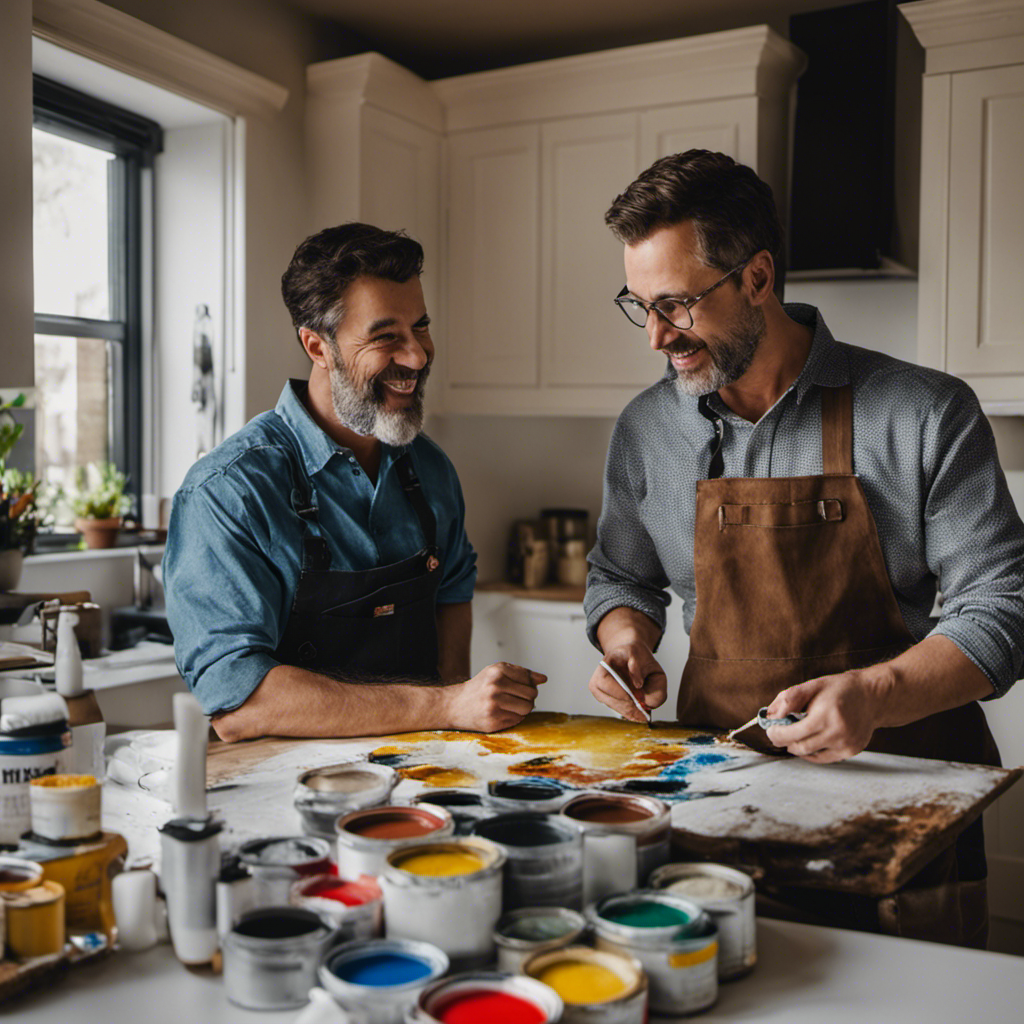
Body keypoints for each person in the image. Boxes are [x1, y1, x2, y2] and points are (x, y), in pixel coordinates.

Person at [584, 150, 1024, 946]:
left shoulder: (924, 413)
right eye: (640, 305)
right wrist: (626, 643)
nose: (655, 336)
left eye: (677, 305)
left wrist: (876, 695)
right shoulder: (646, 430)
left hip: (905, 813)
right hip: (715, 810)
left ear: (756, 277)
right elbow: (621, 576)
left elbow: (1004, 609)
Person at [164, 223, 544, 742]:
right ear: (318, 348)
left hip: (422, 777)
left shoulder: (429, 470)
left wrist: (457, 722)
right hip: (286, 794)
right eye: (387, 337)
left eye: (421, 327)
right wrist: (447, 705)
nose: (417, 356)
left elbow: (452, 589)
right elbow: (240, 702)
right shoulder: (229, 492)